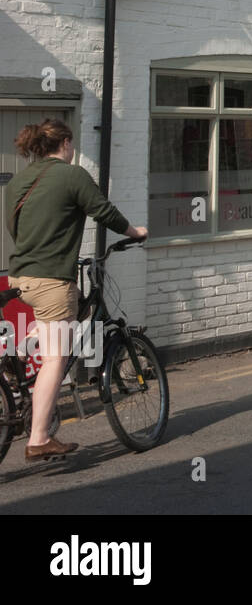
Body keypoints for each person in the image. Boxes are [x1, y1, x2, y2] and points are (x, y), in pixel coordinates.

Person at [6, 119, 147, 461]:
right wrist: (134, 232)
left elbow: (14, 226)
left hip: (20, 278)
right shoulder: (72, 175)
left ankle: (20, 357)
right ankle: (39, 438)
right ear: (65, 144)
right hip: (53, 280)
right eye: (72, 145)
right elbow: (103, 211)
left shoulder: (19, 181)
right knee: (57, 356)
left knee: (58, 322)